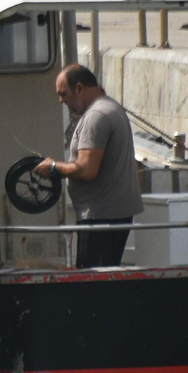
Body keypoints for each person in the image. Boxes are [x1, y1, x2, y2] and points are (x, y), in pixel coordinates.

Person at [34, 64, 144, 268]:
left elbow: (86, 170)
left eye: (63, 93)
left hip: (100, 218)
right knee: (105, 277)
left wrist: (53, 167)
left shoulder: (96, 117)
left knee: (93, 282)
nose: (61, 100)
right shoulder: (110, 108)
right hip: (112, 215)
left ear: (79, 88)